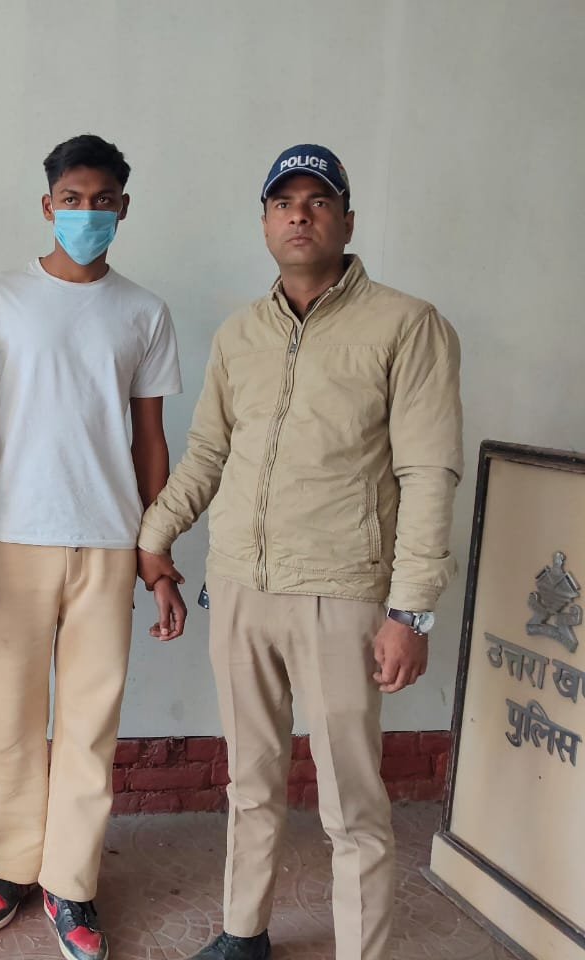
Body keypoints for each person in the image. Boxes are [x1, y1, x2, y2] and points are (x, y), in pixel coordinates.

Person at [137, 144, 463, 960]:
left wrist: (410, 610)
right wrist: (153, 536)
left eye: (319, 201)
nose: (300, 215)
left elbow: (428, 475)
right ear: (265, 222)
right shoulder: (239, 335)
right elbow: (208, 455)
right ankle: (243, 934)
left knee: (352, 804)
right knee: (250, 783)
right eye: (284, 202)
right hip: (239, 590)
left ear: (347, 221)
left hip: (342, 595)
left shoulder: (406, 325)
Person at [0, 133, 183, 960]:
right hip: (11, 537)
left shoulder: (143, 312)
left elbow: (150, 439)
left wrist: (155, 548)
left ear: (123, 208)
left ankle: (72, 883)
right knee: (13, 717)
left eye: (102, 201)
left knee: (90, 724)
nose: (86, 213)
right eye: (72, 199)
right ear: (47, 205)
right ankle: (14, 865)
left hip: (108, 541)